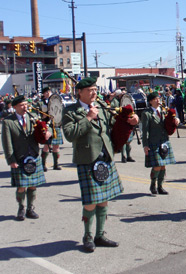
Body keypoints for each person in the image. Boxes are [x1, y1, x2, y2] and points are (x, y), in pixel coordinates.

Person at [62, 77, 139, 253]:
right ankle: (87, 236)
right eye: (90, 90)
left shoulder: (102, 107)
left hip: (105, 158)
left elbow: (115, 123)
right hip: (87, 159)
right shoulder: (70, 111)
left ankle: (100, 235)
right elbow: (70, 134)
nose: (94, 93)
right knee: (90, 202)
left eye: (95, 89)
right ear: (79, 92)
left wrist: (131, 120)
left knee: (103, 199)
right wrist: (88, 117)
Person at [1, 95, 51, 220]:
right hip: (19, 157)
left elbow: (44, 128)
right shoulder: (8, 122)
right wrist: (11, 160)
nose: (25, 107)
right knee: (21, 186)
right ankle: (21, 207)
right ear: (15, 107)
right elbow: (7, 143)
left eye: (26, 105)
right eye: (22, 105)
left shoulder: (32, 117)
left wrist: (47, 132)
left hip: (33, 155)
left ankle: (30, 208)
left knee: (33, 185)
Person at [141, 92, 179, 195]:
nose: (158, 100)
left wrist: (176, 121)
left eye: (159, 98)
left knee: (163, 166)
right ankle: (153, 185)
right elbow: (145, 131)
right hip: (153, 142)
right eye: (155, 99)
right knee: (157, 166)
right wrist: (145, 145)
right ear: (150, 101)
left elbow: (169, 123)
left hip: (164, 141)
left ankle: (160, 186)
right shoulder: (147, 113)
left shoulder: (163, 111)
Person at [36, 87, 63, 171]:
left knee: (56, 146)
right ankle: (43, 165)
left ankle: (56, 164)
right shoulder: (41, 103)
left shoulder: (57, 100)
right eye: (45, 92)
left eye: (48, 92)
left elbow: (60, 111)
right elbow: (38, 114)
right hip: (47, 126)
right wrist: (43, 116)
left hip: (56, 125)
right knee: (47, 146)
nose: (47, 93)